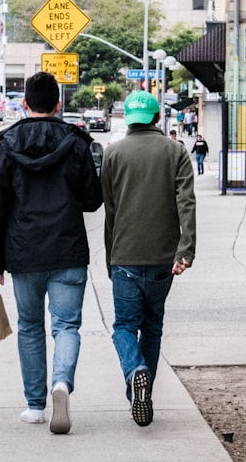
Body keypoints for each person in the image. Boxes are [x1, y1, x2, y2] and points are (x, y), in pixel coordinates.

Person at [0, 71, 103, 434]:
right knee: (66, 326)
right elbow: (94, 201)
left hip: (24, 253)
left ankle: (35, 406)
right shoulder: (77, 143)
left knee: (30, 327)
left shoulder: (6, 145)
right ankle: (61, 383)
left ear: (24, 104)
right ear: (58, 105)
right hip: (67, 250)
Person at [100, 90, 196, 428]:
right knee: (152, 327)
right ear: (157, 118)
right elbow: (187, 203)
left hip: (125, 256)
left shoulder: (113, 154)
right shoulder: (176, 152)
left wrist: (110, 256)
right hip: (163, 259)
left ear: (128, 120)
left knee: (124, 327)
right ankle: (144, 392)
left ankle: (135, 372)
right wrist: (186, 251)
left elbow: (110, 211)